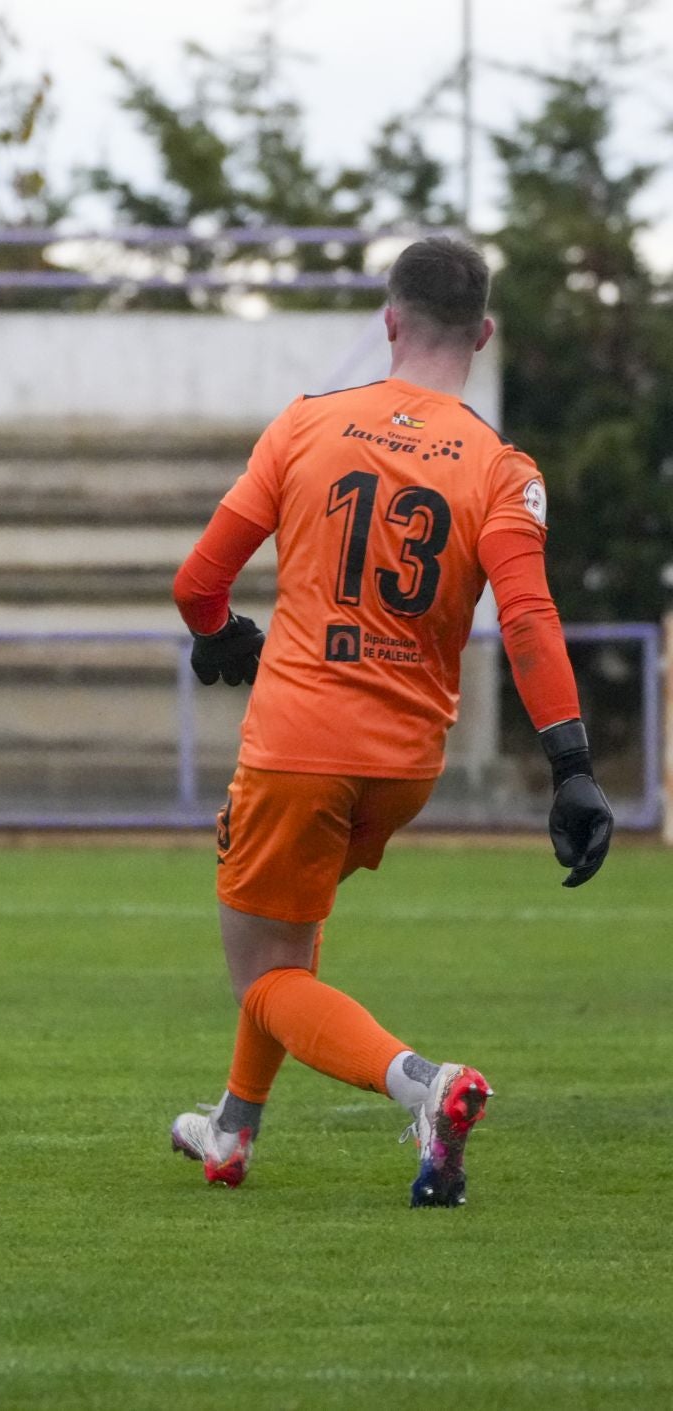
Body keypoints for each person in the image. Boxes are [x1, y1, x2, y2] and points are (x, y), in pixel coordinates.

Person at [164, 236, 613, 1207]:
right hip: (405, 761)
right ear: (483, 335)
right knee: (294, 929)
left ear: (390, 320)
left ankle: (429, 1086)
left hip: (296, 741)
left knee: (260, 976)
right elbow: (529, 619)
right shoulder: (500, 467)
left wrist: (217, 636)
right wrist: (571, 764)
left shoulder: (309, 425)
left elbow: (199, 580)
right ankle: (232, 1130)